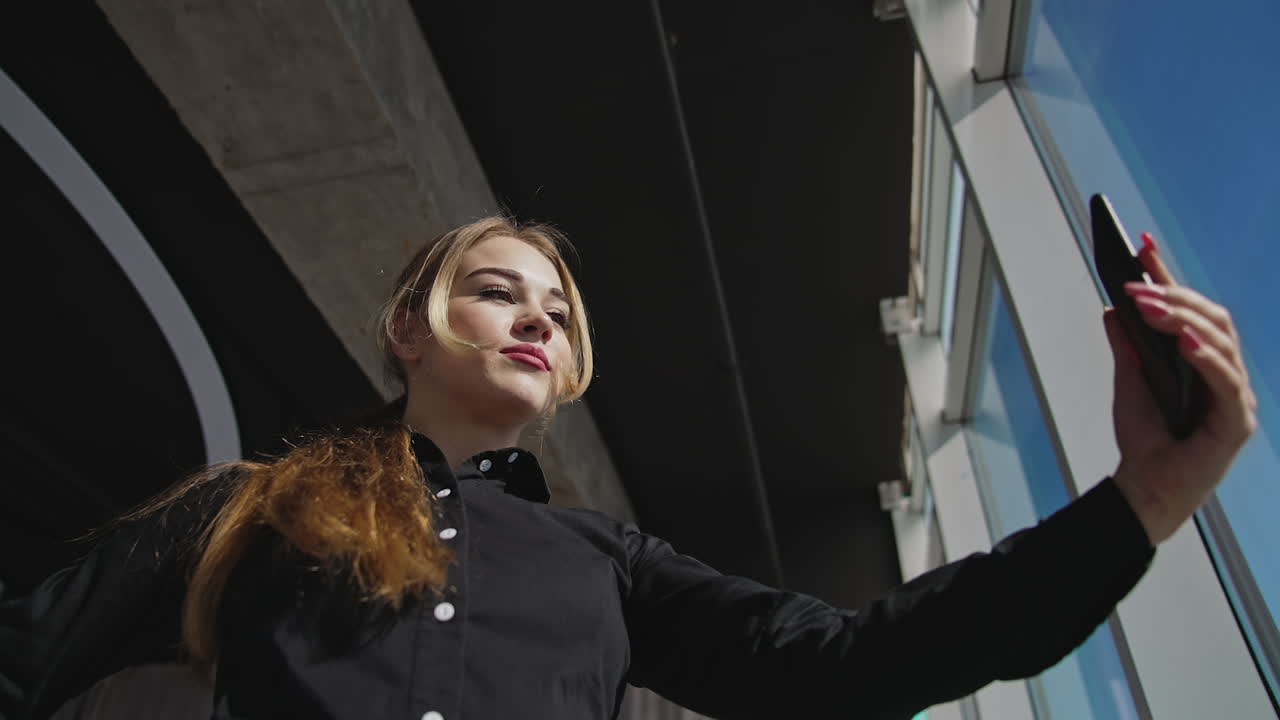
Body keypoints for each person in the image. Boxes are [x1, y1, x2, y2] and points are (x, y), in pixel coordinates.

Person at [0, 217, 1257, 720]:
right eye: (495, 292)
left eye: (555, 307)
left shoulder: (606, 563)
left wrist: (1144, 498)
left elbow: (856, 662)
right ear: (407, 331)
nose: (535, 319)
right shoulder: (252, 508)